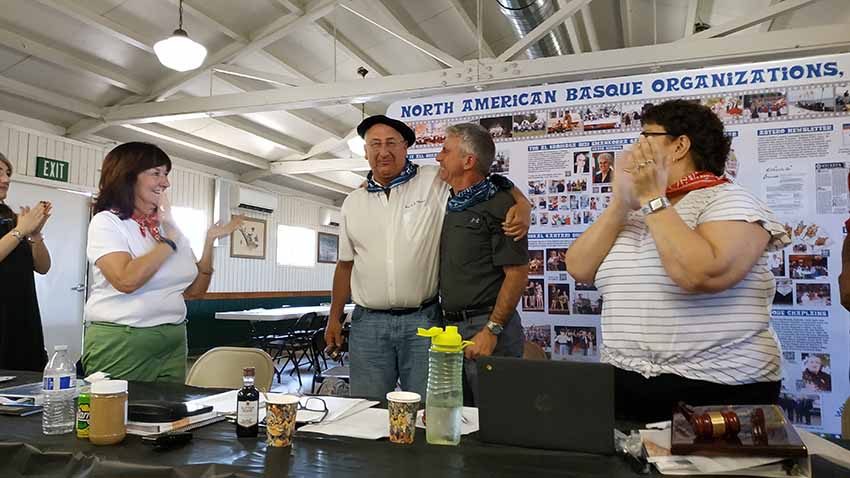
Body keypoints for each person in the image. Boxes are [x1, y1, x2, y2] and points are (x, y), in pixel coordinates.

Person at [565, 99, 790, 422]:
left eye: (646, 137)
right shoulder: (638, 210)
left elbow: (699, 274)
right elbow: (579, 267)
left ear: (680, 145)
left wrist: (652, 199)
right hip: (625, 383)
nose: (635, 147)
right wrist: (620, 204)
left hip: (719, 389)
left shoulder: (729, 199)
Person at [325, 115, 530, 400]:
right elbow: (345, 265)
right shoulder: (352, 202)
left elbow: (488, 178)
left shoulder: (434, 179)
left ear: (405, 147)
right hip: (368, 326)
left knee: (429, 409)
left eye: (391, 143)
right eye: (375, 144)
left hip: (423, 322)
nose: (383, 151)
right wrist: (333, 318)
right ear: (365, 152)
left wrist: (523, 203)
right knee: (365, 408)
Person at [83, 142, 242, 382]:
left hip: (174, 338)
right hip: (124, 339)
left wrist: (209, 241)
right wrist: (169, 241)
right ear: (127, 177)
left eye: (166, 174)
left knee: (168, 416)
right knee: (116, 416)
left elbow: (195, 291)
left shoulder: (167, 227)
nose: (165, 183)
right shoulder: (108, 222)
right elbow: (126, 280)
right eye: (155, 173)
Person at [435, 123, 528, 405]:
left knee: (497, 418)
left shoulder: (502, 207)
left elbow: (517, 274)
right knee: (457, 419)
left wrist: (492, 330)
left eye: (445, 150)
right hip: (449, 330)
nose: (438, 157)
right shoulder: (448, 200)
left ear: (468, 161)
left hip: (486, 328)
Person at [0, 153, 52, 371]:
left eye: (7, 173)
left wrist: (35, 235)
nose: (6, 179)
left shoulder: (12, 218)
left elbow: (43, 267)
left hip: (21, 317)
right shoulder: (18, 226)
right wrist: (21, 230)